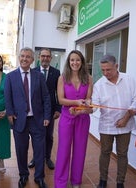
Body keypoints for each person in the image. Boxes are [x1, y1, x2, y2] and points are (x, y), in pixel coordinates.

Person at [4, 47, 51, 188]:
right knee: (20, 150)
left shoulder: (39, 76)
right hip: (19, 120)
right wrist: (10, 113)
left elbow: (46, 97)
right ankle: (23, 175)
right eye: (22, 56)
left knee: (39, 150)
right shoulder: (10, 77)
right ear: (19, 57)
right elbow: (8, 97)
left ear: (32, 60)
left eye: (28, 57)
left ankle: (39, 177)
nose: (25, 59)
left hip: (37, 120)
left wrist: (47, 116)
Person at [91, 54, 136, 188]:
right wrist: (84, 108)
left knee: (122, 154)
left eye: (109, 70)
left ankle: (120, 182)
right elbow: (94, 107)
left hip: (126, 125)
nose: (105, 73)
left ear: (116, 66)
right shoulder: (99, 84)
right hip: (106, 126)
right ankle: (103, 180)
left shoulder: (129, 80)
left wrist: (125, 119)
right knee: (105, 153)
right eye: (103, 70)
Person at [54, 50, 93, 188]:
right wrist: (76, 103)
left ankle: (76, 181)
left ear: (82, 62)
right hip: (66, 118)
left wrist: (85, 106)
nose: (75, 63)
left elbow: (88, 100)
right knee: (63, 150)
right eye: (72, 60)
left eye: (77, 60)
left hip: (82, 118)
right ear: (68, 62)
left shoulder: (88, 78)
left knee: (80, 150)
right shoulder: (62, 78)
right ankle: (60, 183)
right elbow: (60, 99)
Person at [28, 48, 61, 170]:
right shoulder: (33, 71)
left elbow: (58, 92)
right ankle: (36, 158)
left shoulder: (56, 73)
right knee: (36, 136)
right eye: (43, 56)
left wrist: (58, 109)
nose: (45, 58)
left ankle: (47, 157)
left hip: (51, 111)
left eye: (48, 56)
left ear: (51, 58)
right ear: (39, 57)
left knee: (49, 136)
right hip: (35, 111)